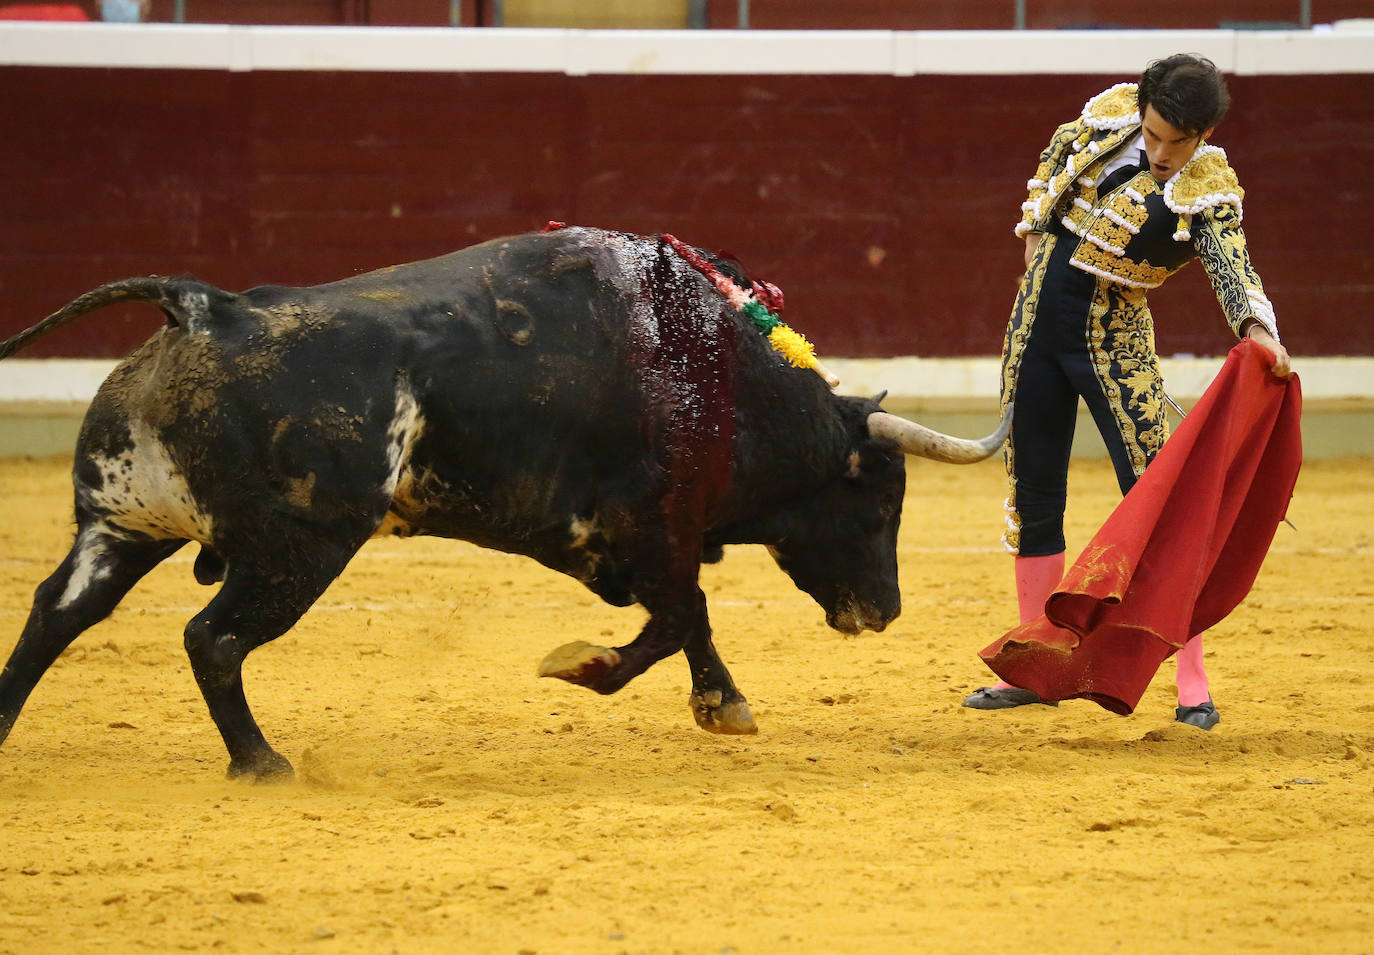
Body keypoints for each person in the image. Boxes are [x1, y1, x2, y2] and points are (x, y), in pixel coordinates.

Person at [963, 54, 1292, 729]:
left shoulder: (1207, 185)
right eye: (1158, 135)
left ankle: (1192, 684)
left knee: (1166, 507)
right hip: (1033, 331)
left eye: (1182, 141)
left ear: (1205, 134)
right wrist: (1033, 226)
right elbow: (1059, 151)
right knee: (1034, 494)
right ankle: (1034, 658)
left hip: (1115, 342)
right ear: (1142, 109)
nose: (1166, 153)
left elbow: (1232, 262)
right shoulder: (1114, 113)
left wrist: (1260, 328)